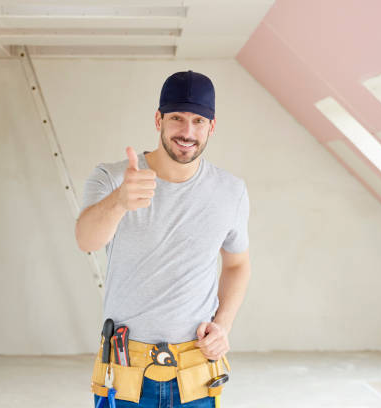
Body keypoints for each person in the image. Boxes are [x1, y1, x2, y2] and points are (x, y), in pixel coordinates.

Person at [76, 70, 251, 408]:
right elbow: (86, 240)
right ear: (158, 119)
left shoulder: (231, 191)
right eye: (177, 118)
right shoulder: (113, 178)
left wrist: (223, 326)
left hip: (196, 373)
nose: (187, 132)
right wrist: (120, 202)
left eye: (198, 121)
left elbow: (238, 264)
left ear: (212, 126)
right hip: (126, 373)